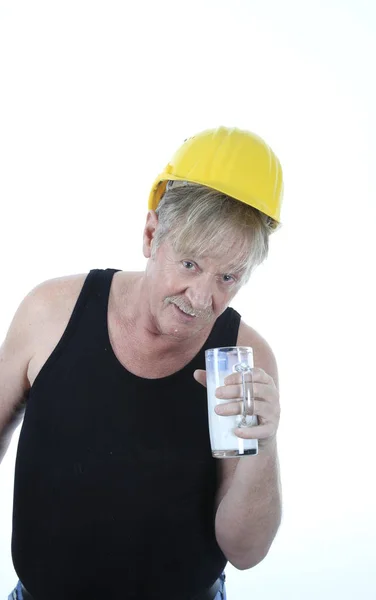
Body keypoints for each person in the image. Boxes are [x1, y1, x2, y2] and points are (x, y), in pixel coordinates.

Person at [1, 126, 283, 600]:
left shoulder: (239, 362)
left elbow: (246, 551)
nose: (201, 298)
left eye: (228, 277)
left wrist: (264, 445)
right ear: (152, 235)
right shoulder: (51, 311)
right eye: (190, 264)